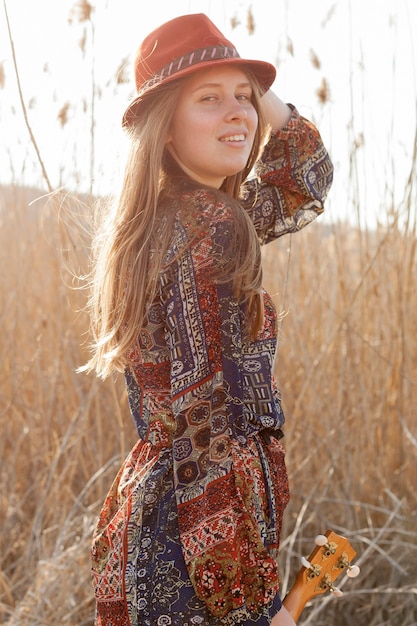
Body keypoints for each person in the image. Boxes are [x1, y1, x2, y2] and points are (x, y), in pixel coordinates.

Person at [83, 13, 333, 626]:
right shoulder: (213, 227)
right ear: (164, 128)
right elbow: (206, 429)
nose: (239, 114)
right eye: (208, 100)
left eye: (244, 100)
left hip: (154, 533)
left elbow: (305, 175)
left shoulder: (169, 220)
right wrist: (246, 603)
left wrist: (246, 86)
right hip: (197, 557)